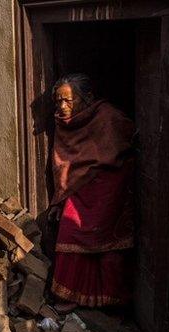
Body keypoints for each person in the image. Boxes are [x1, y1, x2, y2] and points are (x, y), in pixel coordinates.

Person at [48, 73, 136, 313]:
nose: (62, 107)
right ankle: (72, 295)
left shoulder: (107, 117)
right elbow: (65, 164)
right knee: (71, 234)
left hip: (107, 189)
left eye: (68, 100)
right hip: (77, 189)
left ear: (85, 98)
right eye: (58, 101)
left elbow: (130, 139)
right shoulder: (63, 124)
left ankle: (111, 299)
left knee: (105, 240)